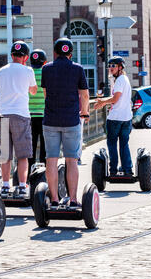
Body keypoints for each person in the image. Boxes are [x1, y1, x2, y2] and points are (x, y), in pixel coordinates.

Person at [41, 37, 90, 207]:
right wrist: (84, 112)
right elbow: (84, 95)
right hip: (71, 120)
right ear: (70, 53)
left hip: (51, 120)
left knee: (51, 160)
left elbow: (46, 94)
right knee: (71, 160)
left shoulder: (46, 69)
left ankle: (54, 199)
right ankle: (74, 199)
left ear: (55, 52)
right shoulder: (77, 69)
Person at [0, 41, 37, 199]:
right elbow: (33, 91)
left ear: (12, 55)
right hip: (21, 115)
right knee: (23, 155)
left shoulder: (0, 71)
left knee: (5, 155)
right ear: (25, 57)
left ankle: (5, 186)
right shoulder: (28, 70)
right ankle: (21, 187)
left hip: (4, 115)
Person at [94, 56, 133, 176]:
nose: (110, 68)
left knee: (112, 144)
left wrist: (102, 102)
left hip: (115, 118)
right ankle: (127, 170)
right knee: (124, 144)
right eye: (109, 66)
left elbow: (116, 98)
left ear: (120, 67)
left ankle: (113, 170)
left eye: (113, 66)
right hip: (126, 118)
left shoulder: (120, 80)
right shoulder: (124, 79)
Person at [28, 49, 48, 171]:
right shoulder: (47, 73)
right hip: (44, 115)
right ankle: (43, 171)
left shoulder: (27, 74)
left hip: (29, 115)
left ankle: (30, 171)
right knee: (45, 146)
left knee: (31, 146)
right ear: (44, 62)